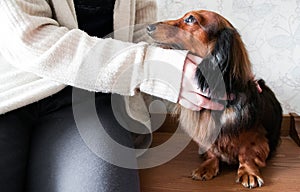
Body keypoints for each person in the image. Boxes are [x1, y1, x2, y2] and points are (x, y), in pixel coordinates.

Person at [0, 0, 224, 192]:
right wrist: (150, 68)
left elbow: (139, 35)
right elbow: (29, 39)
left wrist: (223, 72)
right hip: (9, 97)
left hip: (92, 102)